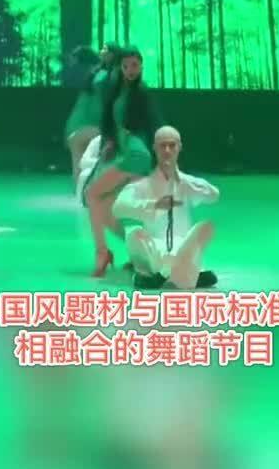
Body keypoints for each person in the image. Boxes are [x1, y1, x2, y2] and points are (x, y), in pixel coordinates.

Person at [113, 126, 219, 289]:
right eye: (163, 146)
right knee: (133, 233)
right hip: (155, 248)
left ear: (179, 147)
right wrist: (154, 206)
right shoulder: (143, 186)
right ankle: (178, 271)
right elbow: (118, 208)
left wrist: (184, 181)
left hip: (181, 244)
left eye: (172, 145)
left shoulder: (187, 183)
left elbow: (213, 195)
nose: (167, 150)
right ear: (155, 148)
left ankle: (167, 272)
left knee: (202, 230)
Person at [85, 46, 160, 277]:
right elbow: (110, 124)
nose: (130, 70)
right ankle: (140, 253)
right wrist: (110, 142)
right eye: (125, 66)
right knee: (109, 207)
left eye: (134, 65)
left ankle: (103, 253)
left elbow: (154, 126)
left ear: (141, 66)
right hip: (125, 154)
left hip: (137, 156)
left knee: (93, 195)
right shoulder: (115, 90)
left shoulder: (142, 94)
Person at [65, 42, 122, 182]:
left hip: (74, 128)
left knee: (79, 164)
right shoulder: (105, 78)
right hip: (93, 127)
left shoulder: (94, 76)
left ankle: (81, 188)